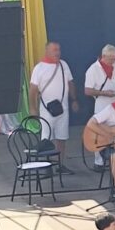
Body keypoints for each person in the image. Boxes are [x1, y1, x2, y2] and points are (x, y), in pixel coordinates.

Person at [28, 41, 80, 171]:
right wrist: (33, 108)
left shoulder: (63, 65)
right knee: (46, 139)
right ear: (47, 51)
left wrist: (74, 99)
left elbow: (70, 83)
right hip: (47, 110)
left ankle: (60, 164)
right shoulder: (39, 68)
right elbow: (33, 90)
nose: (57, 52)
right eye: (54, 50)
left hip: (63, 109)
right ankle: (47, 167)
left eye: (58, 50)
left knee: (62, 137)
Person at [84, 44, 115, 118]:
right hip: (102, 109)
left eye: (114, 59)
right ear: (103, 56)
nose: (113, 62)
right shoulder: (93, 69)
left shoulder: (114, 66)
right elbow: (87, 91)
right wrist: (104, 93)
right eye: (111, 59)